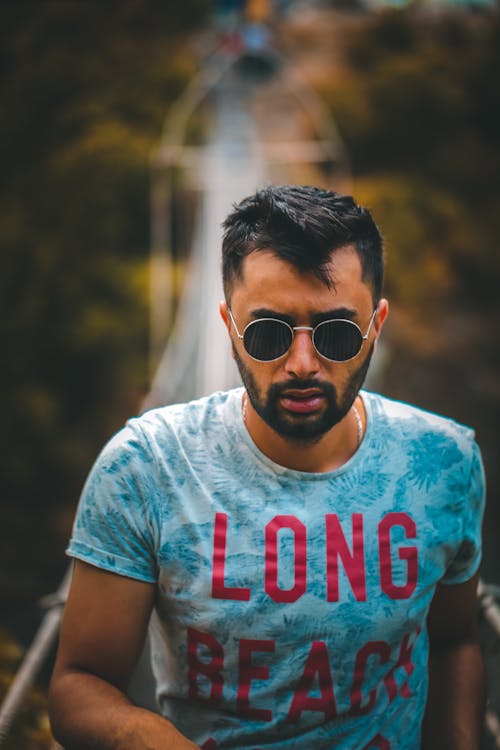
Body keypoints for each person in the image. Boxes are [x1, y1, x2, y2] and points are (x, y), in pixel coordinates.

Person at [49, 185, 486, 749]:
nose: (302, 364)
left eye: (336, 333)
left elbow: (453, 642)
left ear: (375, 326)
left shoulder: (445, 462)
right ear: (229, 325)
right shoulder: (146, 468)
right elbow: (80, 685)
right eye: (268, 334)